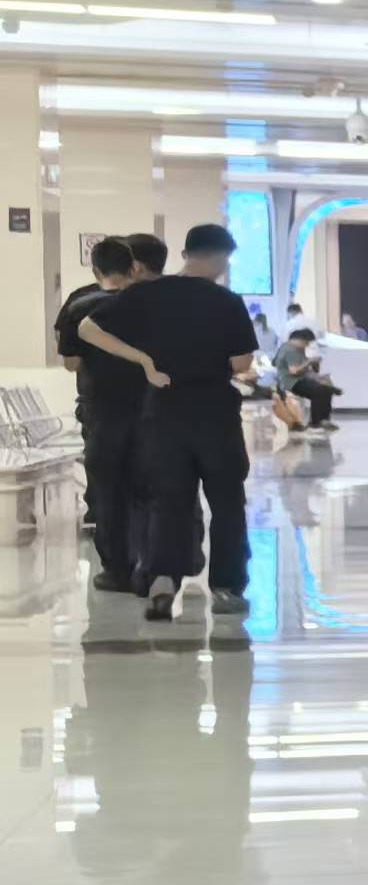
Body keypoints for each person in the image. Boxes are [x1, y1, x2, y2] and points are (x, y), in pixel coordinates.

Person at [78, 225, 265, 625]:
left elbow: (87, 329)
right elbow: (241, 363)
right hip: (214, 413)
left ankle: (163, 580)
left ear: (185, 253)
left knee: (168, 500)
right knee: (227, 501)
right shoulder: (226, 301)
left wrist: (144, 360)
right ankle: (227, 588)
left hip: (162, 411)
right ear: (222, 257)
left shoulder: (146, 294)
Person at [57, 236, 145, 592]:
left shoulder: (79, 303)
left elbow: (71, 363)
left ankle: (116, 569)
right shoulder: (151, 303)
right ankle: (150, 565)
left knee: (106, 488)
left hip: (101, 409)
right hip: (149, 407)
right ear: (133, 268)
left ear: (96, 270)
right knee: (146, 486)